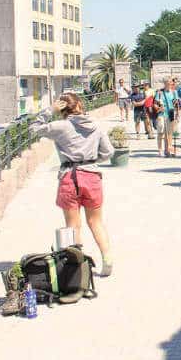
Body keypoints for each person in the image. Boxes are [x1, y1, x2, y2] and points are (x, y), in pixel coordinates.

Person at [30, 93, 114, 276]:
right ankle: (107, 258)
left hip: (70, 176)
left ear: (62, 109)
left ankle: (77, 270)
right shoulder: (96, 126)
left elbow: (34, 129)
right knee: (96, 221)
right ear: (81, 105)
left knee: (73, 226)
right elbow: (108, 152)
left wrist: (49, 111)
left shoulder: (61, 126)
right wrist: (92, 160)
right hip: (92, 176)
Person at [156, 77, 179, 157]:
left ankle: (168, 149)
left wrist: (177, 113)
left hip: (171, 113)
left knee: (169, 133)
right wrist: (159, 108)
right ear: (165, 83)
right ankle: (160, 149)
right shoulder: (160, 93)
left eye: (171, 83)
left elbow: (177, 104)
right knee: (161, 132)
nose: (170, 84)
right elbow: (155, 104)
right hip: (162, 114)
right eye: (169, 83)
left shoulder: (174, 92)